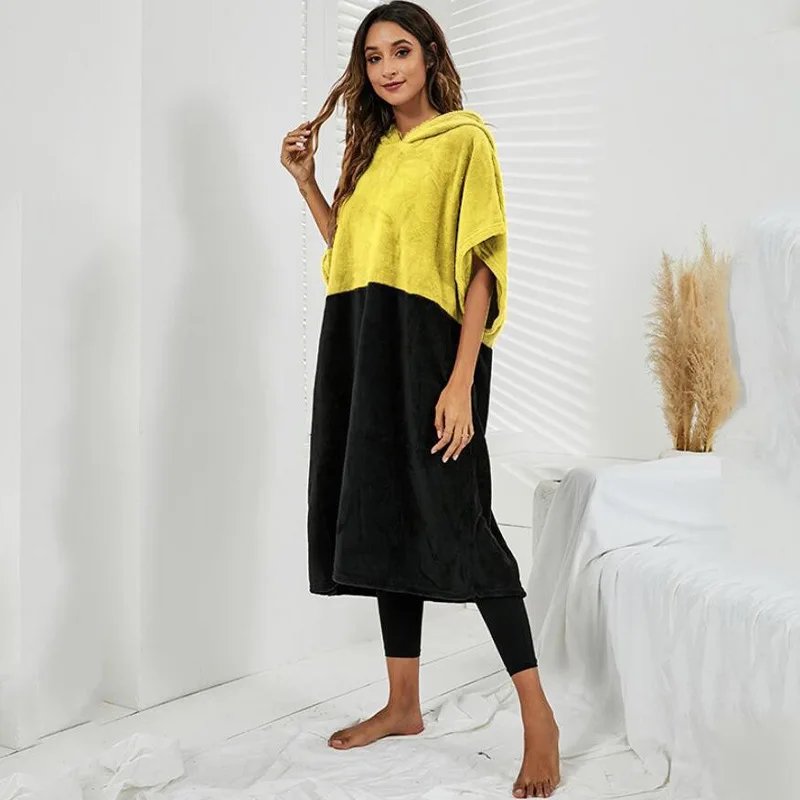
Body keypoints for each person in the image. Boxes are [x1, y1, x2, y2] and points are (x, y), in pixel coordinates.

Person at [280, 2, 560, 797]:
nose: (387, 69)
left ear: (431, 55)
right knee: (385, 515)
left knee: (460, 525)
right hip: (361, 344)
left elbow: (481, 265)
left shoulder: (465, 140)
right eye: (373, 58)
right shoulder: (370, 153)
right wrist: (307, 185)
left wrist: (461, 379)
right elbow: (353, 253)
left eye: (401, 51)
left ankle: (538, 716)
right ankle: (403, 704)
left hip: (432, 351)